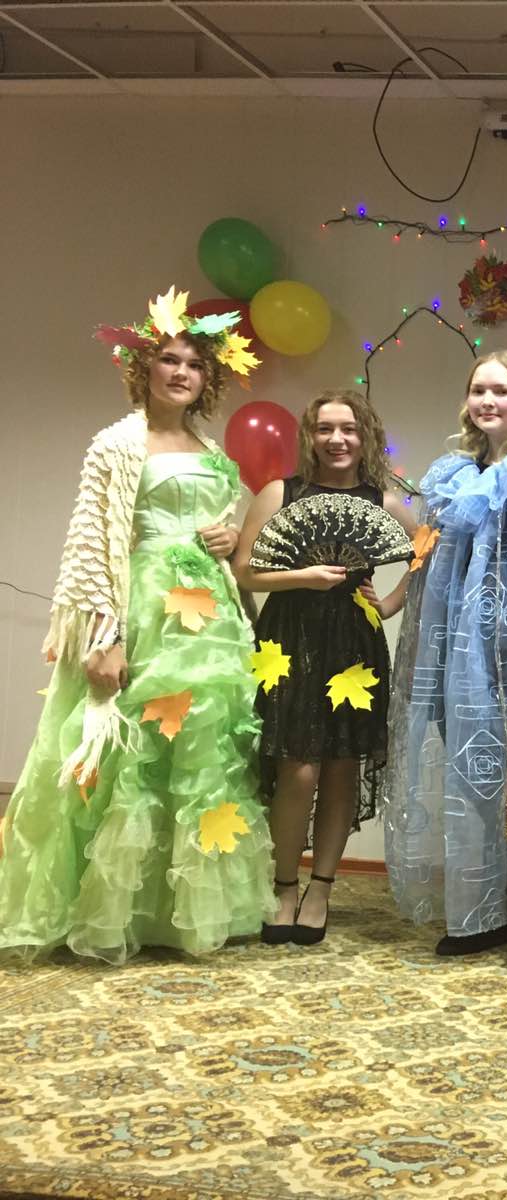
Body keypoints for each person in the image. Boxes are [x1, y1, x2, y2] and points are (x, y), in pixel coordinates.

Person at [0, 287, 272, 963]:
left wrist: (225, 534)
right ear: (143, 367)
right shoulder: (116, 445)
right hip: (145, 607)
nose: (181, 372)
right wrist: (106, 637)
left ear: (208, 379)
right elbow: (93, 545)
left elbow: (220, 517)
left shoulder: (207, 444)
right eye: (169, 360)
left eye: (194, 364)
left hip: (208, 617)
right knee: (136, 750)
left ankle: (177, 912)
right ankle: (111, 908)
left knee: (200, 750)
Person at [384, 351, 507, 955]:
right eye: (479, 390)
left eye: (501, 390)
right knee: (467, 761)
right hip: (455, 638)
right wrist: (397, 604)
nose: (488, 401)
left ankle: (486, 911)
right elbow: (427, 549)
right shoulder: (450, 474)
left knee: (506, 764)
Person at [233, 389, 415, 945]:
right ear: (310, 437)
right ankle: (284, 885)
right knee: (298, 768)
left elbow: (429, 554)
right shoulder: (279, 493)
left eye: (349, 429)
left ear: (366, 437)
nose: (337, 439)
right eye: (325, 429)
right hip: (288, 638)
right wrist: (303, 577)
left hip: (354, 642)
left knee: (340, 767)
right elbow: (244, 571)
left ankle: (321, 890)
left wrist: (389, 604)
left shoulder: (383, 500)